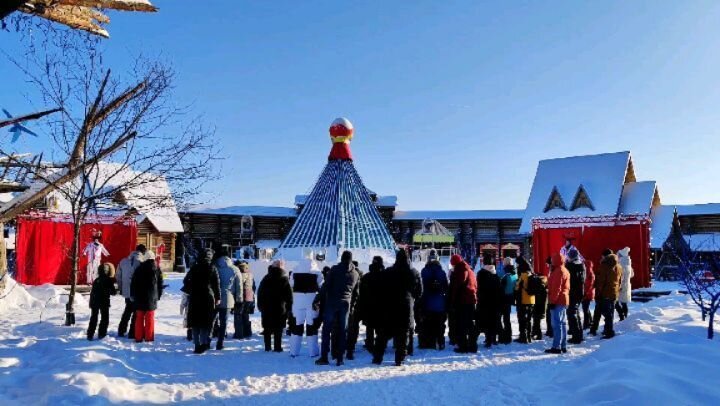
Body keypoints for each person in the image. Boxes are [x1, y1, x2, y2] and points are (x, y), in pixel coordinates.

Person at [372, 249, 422, 366]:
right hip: (405, 306)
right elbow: (419, 292)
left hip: (389, 305)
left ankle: (378, 357)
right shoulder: (414, 273)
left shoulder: (388, 272)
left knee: (383, 333)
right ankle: (400, 358)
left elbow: (381, 289)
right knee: (403, 334)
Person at [316, 251, 360, 366]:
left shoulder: (334, 270)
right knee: (342, 331)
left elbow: (326, 286)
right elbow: (356, 292)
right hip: (346, 304)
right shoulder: (355, 274)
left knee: (326, 330)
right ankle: (340, 358)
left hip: (332, 302)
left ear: (341, 258)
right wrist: (352, 304)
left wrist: (317, 299)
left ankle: (324, 356)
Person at [182, 249, 221, 354]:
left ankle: (196, 345)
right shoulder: (212, 268)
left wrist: (191, 288)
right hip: (208, 297)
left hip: (195, 296)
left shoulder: (194, 267)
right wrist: (218, 298)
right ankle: (204, 344)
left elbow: (185, 280)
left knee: (195, 323)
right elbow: (216, 285)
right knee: (205, 322)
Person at [289, 257, 324, 358]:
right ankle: (313, 352)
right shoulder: (317, 272)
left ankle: (294, 351)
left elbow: (291, 284)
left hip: (298, 301)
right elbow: (321, 284)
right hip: (311, 301)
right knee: (311, 326)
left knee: (297, 326)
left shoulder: (295, 270)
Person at [257, 260, 293, 353]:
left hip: (266, 307)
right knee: (278, 329)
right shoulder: (284, 279)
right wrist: (289, 307)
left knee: (267, 328)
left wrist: (260, 305)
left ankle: (267, 347)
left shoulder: (266, 278)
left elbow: (260, 293)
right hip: (280, 308)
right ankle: (277, 347)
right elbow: (289, 296)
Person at [418, 250, 449, 350]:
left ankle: (429, 342)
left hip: (427, 302)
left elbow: (421, 287)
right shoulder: (442, 272)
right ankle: (441, 342)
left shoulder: (424, 271)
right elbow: (446, 287)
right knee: (440, 324)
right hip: (440, 303)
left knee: (428, 323)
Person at [130, 252, 164, 343]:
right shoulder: (156, 269)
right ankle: (149, 338)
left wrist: (132, 294)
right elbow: (160, 284)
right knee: (150, 318)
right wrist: (158, 295)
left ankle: (138, 337)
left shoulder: (139, 269)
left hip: (139, 296)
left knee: (139, 317)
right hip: (151, 297)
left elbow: (133, 283)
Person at [215, 250, 243, 350]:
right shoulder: (235, 269)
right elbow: (239, 286)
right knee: (224, 322)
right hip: (228, 298)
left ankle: (207, 341)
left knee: (212, 320)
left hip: (214, 297)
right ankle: (220, 342)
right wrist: (239, 300)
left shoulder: (215, 267)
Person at [590, 249, 622, 339]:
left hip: (604, 293)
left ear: (605, 256)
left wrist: (598, 293)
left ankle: (607, 331)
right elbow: (619, 280)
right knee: (609, 313)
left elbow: (601, 281)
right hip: (613, 292)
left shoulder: (604, 266)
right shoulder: (618, 266)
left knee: (600, 312)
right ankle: (607, 330)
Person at [449, 254, 477, 353]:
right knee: (470, 324)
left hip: (462, 302)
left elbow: (455, 288)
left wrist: (452, 302)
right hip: (471, 300)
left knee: (461, 325)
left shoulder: (460, 271)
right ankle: (473, 345)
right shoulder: (470, 271)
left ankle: (463, 346)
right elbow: (475, 286)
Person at [116, 246, 145, 339]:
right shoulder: (142, 262)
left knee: (127, 310)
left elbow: (118, 276)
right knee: (136, 312)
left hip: (126, 291)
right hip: (137, 291)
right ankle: (133, 332)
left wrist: (121, 288)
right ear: (143, 252)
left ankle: (121, 330)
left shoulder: (123, 261)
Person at [474, 253, 501, 348]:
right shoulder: (496, 275)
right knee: (493, 320)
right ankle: (493, 338)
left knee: (483, 320)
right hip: (494, 302)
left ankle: (486, 339)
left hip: (484, 301)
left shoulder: (481, 274)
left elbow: (478, 287)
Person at [545, 253, 570, 354]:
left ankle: (557, 346)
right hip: (564, 299)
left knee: (557, 324)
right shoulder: (565, 270)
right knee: (562, 323)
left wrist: (552, 301)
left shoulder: (558, 271)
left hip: (558, 300)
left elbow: (556, 288)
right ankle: (563, 345)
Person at [359, 256, 384, 352]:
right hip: (382, 305)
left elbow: (361, 292)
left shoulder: (366, 277)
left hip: (369, 305)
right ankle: (380, 343)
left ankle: (369, 343)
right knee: (381, 326)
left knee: (370, 326)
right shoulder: (385, 276)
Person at [87, 263, 117, 340]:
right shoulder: (108, 280)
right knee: (105, 318)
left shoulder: (96, 280)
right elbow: (113, 292)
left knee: (94, 317)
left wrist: (91, 303)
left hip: (94, 301)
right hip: (104, 302)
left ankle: (90, 334)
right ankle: (102, 333)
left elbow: (92, 292)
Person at [565, 248, 586, 344]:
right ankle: (579, 334)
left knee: (571, 313)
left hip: (573, 293)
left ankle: (576, 336)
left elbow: (571, 281)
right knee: (575, 313)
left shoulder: (571, 267)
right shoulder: (581, 266)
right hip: (579, 293)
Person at [345, 260, 364, 360]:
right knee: (354, 327)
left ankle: (346, 345)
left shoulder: (348, 274)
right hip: (358, 305)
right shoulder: (361, 275)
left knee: (345, 326)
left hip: (348, 303)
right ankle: (351, 347)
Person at [514, 257, 535, 343]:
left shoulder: (522, 276)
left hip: (523, 300)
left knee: (522, 319)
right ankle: (529, 336)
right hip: (531, 300)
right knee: (529, 319)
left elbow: (517, 287)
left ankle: (523, 336)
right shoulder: (531, 274)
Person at [234, 261, 256, 339]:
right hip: (249, 297)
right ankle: (247, 332)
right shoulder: (250, 274)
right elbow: (254, 287)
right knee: (246, 315)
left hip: (241, 297)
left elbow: (238, 286)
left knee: (238, 315)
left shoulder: (240, 275)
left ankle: (239, 334)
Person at [499, 257, 518, 344]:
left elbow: (501, 287)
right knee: (507, 318)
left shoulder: (505, 275)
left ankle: (503, 336)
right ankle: (508, 335)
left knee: (501, 318)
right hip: (511, 298)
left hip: (503, 298)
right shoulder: (515, 274)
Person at [616, 247, 634, 321]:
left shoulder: (621, 264)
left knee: (616, 302)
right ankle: (624, 317)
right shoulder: (628, 263)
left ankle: (622, 316)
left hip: (621, 286)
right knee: (624, 302)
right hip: (627, 285)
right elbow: (632, 274)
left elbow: (620, 276)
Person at [582, 261, 596, 330]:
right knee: (586, 308)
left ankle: (586, 323)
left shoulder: (589, 273)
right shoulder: (589, 273)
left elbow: (590, 285)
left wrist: (585, 293)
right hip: (588, 293)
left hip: (587, 294)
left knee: (585, 309)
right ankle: (590, 321)